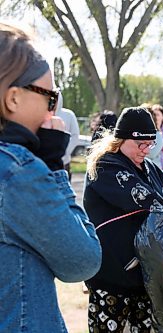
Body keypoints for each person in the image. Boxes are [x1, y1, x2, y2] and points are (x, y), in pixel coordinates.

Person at [0, 23, 101, 332]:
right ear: (13, 98)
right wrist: (53, 166)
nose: (51, 111)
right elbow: (82, 260)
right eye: (50, 97)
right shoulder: (18, 171)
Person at [84, 106, 163, 332]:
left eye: (150, 144)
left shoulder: (149, 167)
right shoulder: (105, 164)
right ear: (121, 139)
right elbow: (143, 197)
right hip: (111, 276)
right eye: (141, 144)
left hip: (143, 279)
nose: (146, 149)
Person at [55, 91, 80, 179]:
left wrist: (65, 152)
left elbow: (75, 136)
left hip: (64, 163)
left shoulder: (69, 115)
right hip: (45, 163)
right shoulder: (42, 115)